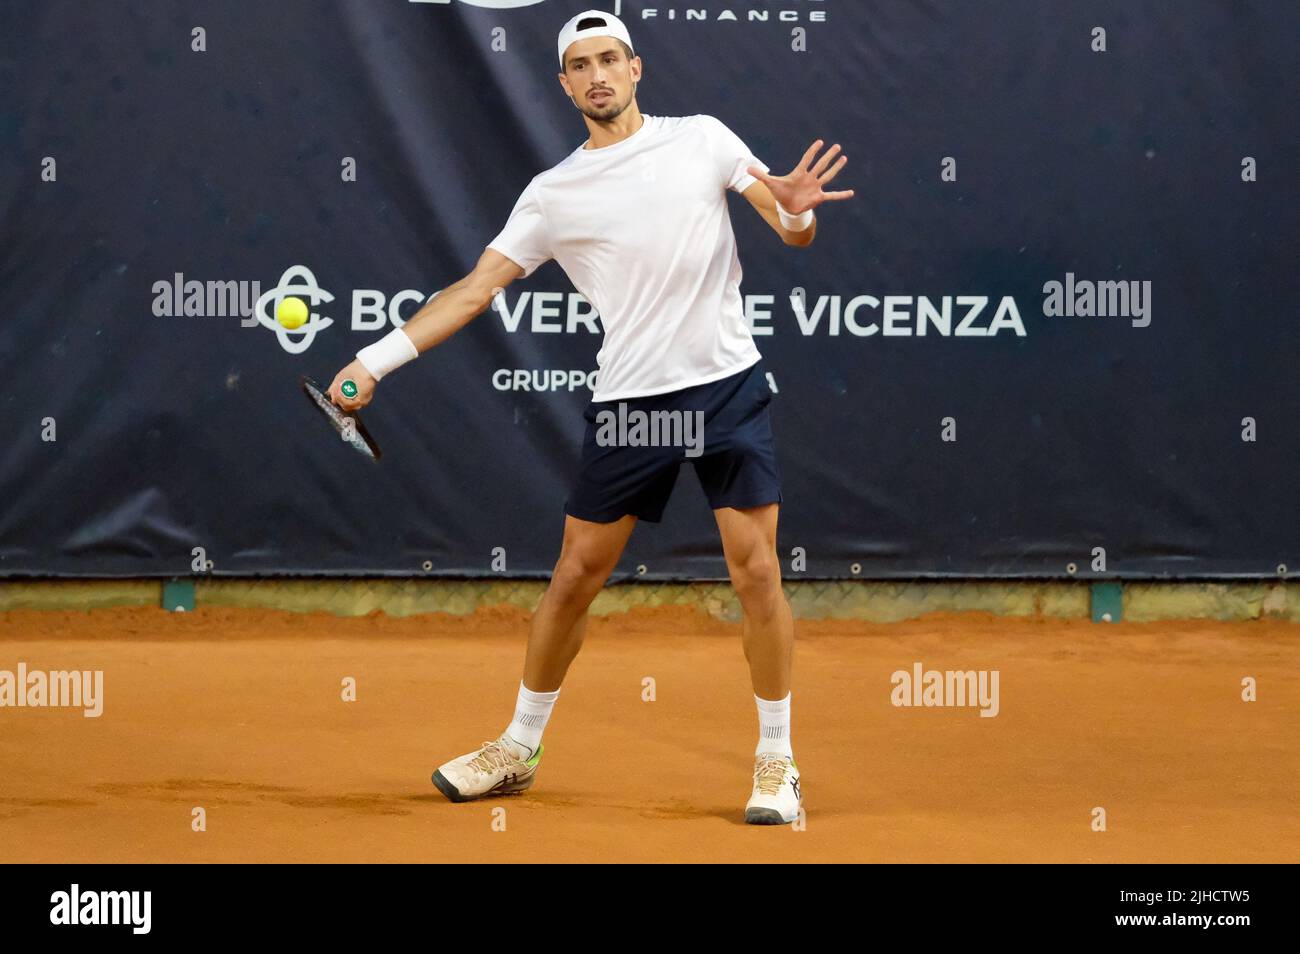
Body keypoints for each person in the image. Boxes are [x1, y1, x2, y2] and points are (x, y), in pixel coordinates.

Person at [328, 9, 854, 825]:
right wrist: (373, 361)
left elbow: (790, 227)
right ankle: (517, 748)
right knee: (575, 576)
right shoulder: (553, 194)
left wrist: (795, 212)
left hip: (726, 388)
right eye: (581, 65)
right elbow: (474, 291)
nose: (598, 74)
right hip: (631, 404)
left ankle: (777, 761)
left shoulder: (704, 139)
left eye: (610, 59)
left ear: (636, 68)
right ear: (565, 84)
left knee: (755, 570)